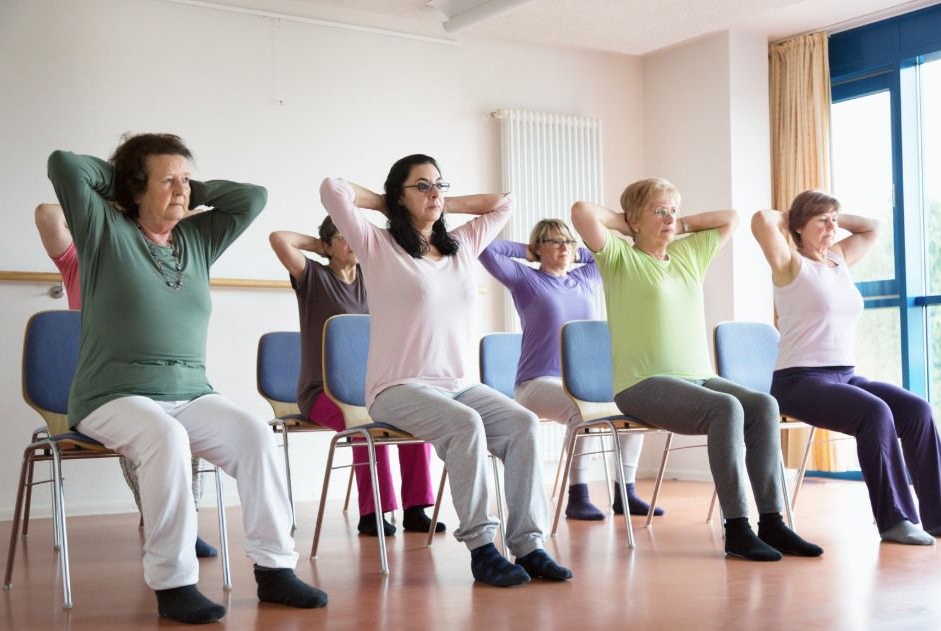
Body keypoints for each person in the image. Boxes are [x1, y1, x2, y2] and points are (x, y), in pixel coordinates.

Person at [47, 133, 326, 624]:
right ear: (135, 188)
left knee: (255, 436)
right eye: (168, 181)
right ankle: (174, 583)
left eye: (187, 179)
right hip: (110, 395)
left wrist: (185, 189)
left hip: (191, 392)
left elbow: (252, 198)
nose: (182, 189)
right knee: (166, 437)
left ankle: (275, 570)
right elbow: (65, 165)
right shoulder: (104, 229)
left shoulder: (197, 239)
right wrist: (125, 182)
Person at [320, 154, 572, 587]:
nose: (435, 191)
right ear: (399, 194)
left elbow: (504, 204)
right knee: (465, 424)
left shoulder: (461, 246)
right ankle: (482, 548)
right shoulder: (377, 245)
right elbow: (332, 189)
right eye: (421, 185)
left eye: (439, 184)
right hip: (396, 388)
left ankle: (529, 546)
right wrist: (388, 203)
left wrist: (436, 201)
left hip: (458, 384)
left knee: (523, 423)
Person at [572, 178, 823, 561]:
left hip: (699, 376)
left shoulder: (690, 254)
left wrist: (677, 223)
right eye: (659, 210)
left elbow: (731, 219)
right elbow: (582, 212)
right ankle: (736, 528)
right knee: (725, 409)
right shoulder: (619, 257)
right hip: (642, 383)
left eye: (673, 209)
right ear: (634, 220)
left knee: (763, 406)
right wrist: (626, 224)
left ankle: (772, 523)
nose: (670, 217)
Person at [752, 190, 941, 546]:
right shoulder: (790, 262)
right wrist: (793, 215)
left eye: (834, 220)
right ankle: (895, 520)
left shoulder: (838, 259)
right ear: (798, 227)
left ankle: (937, 516)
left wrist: (832, 214)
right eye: (821, 221)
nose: (831, 227)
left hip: (845, 375)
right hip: (798, 380)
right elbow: (761, 220)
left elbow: (873, 227)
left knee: (918, 411)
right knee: (874, 412)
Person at [35, 202, 217, 559]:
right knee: (146, 428)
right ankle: (164, 522)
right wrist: (116, 205)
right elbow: (48, 215)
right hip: (100, 384)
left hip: (155, 378)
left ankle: (184, 521)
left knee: (185, 426)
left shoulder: (156, 259)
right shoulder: (81, 257)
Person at [269, 218, 444, 537]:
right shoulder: (313, 277)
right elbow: (280, 238)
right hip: (322, 393)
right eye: (342, 237)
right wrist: (319, 245)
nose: (352, 241)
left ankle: (416, 509)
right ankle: (373, 512)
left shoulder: (373, 278)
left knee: (412, 419)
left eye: (355, 236)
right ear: (327, 245)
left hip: (373, 389)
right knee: (364, 427)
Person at [478, 219, 663, 520]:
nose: (564, 246)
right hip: (536, 383)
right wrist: (529, 252)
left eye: (568, 241)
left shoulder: (587, 278)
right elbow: (486, 249)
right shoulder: (526, 281)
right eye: (554, 241)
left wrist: (576, 252)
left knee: (636, 407)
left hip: (585, 382)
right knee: (581, 411)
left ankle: (625, 494)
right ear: (539, 247)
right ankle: (578, 497)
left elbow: (612, 250)